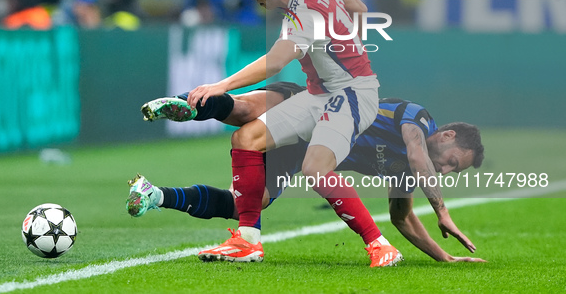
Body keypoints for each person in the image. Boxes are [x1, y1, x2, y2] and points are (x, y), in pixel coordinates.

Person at [179, 0, 401, 266]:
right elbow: (359, 8)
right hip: (318, 94)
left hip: (354, 93)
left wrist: (221, 84)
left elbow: (275, 62)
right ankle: (248, 241)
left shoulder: (306, 10)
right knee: (245, 138)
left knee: (315, 168)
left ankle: (380, 245)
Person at [128, 82, 486, 264]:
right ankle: (188, 106)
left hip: (301, 150)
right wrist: (442, 210)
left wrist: (446, 257)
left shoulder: (406, 172)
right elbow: (418, 152)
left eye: (452, 170)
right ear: (447, 135)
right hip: (310, 105)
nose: (445, 170)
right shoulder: (418, 120)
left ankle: (155, 194)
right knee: (243, 111)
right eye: (452, 161)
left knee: (247, 204)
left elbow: (403, 217)